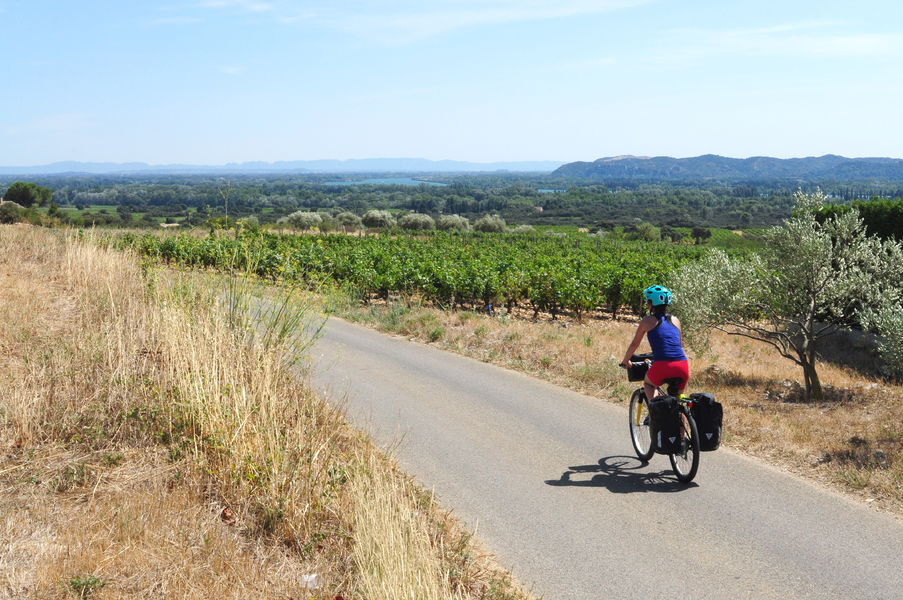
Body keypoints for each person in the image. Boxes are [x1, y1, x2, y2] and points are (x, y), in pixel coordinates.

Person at [620, 285, 689, 401]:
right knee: (678, 401)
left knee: (649, 384)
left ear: (651, 303)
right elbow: (680, 345)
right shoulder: (676, 320)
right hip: (683, 366)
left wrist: (625, 361)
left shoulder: (647, 321)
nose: (647, 303)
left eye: (648, 300)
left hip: (663, 365)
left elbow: (634, 344)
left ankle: (655, 411)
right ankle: (682, 418)